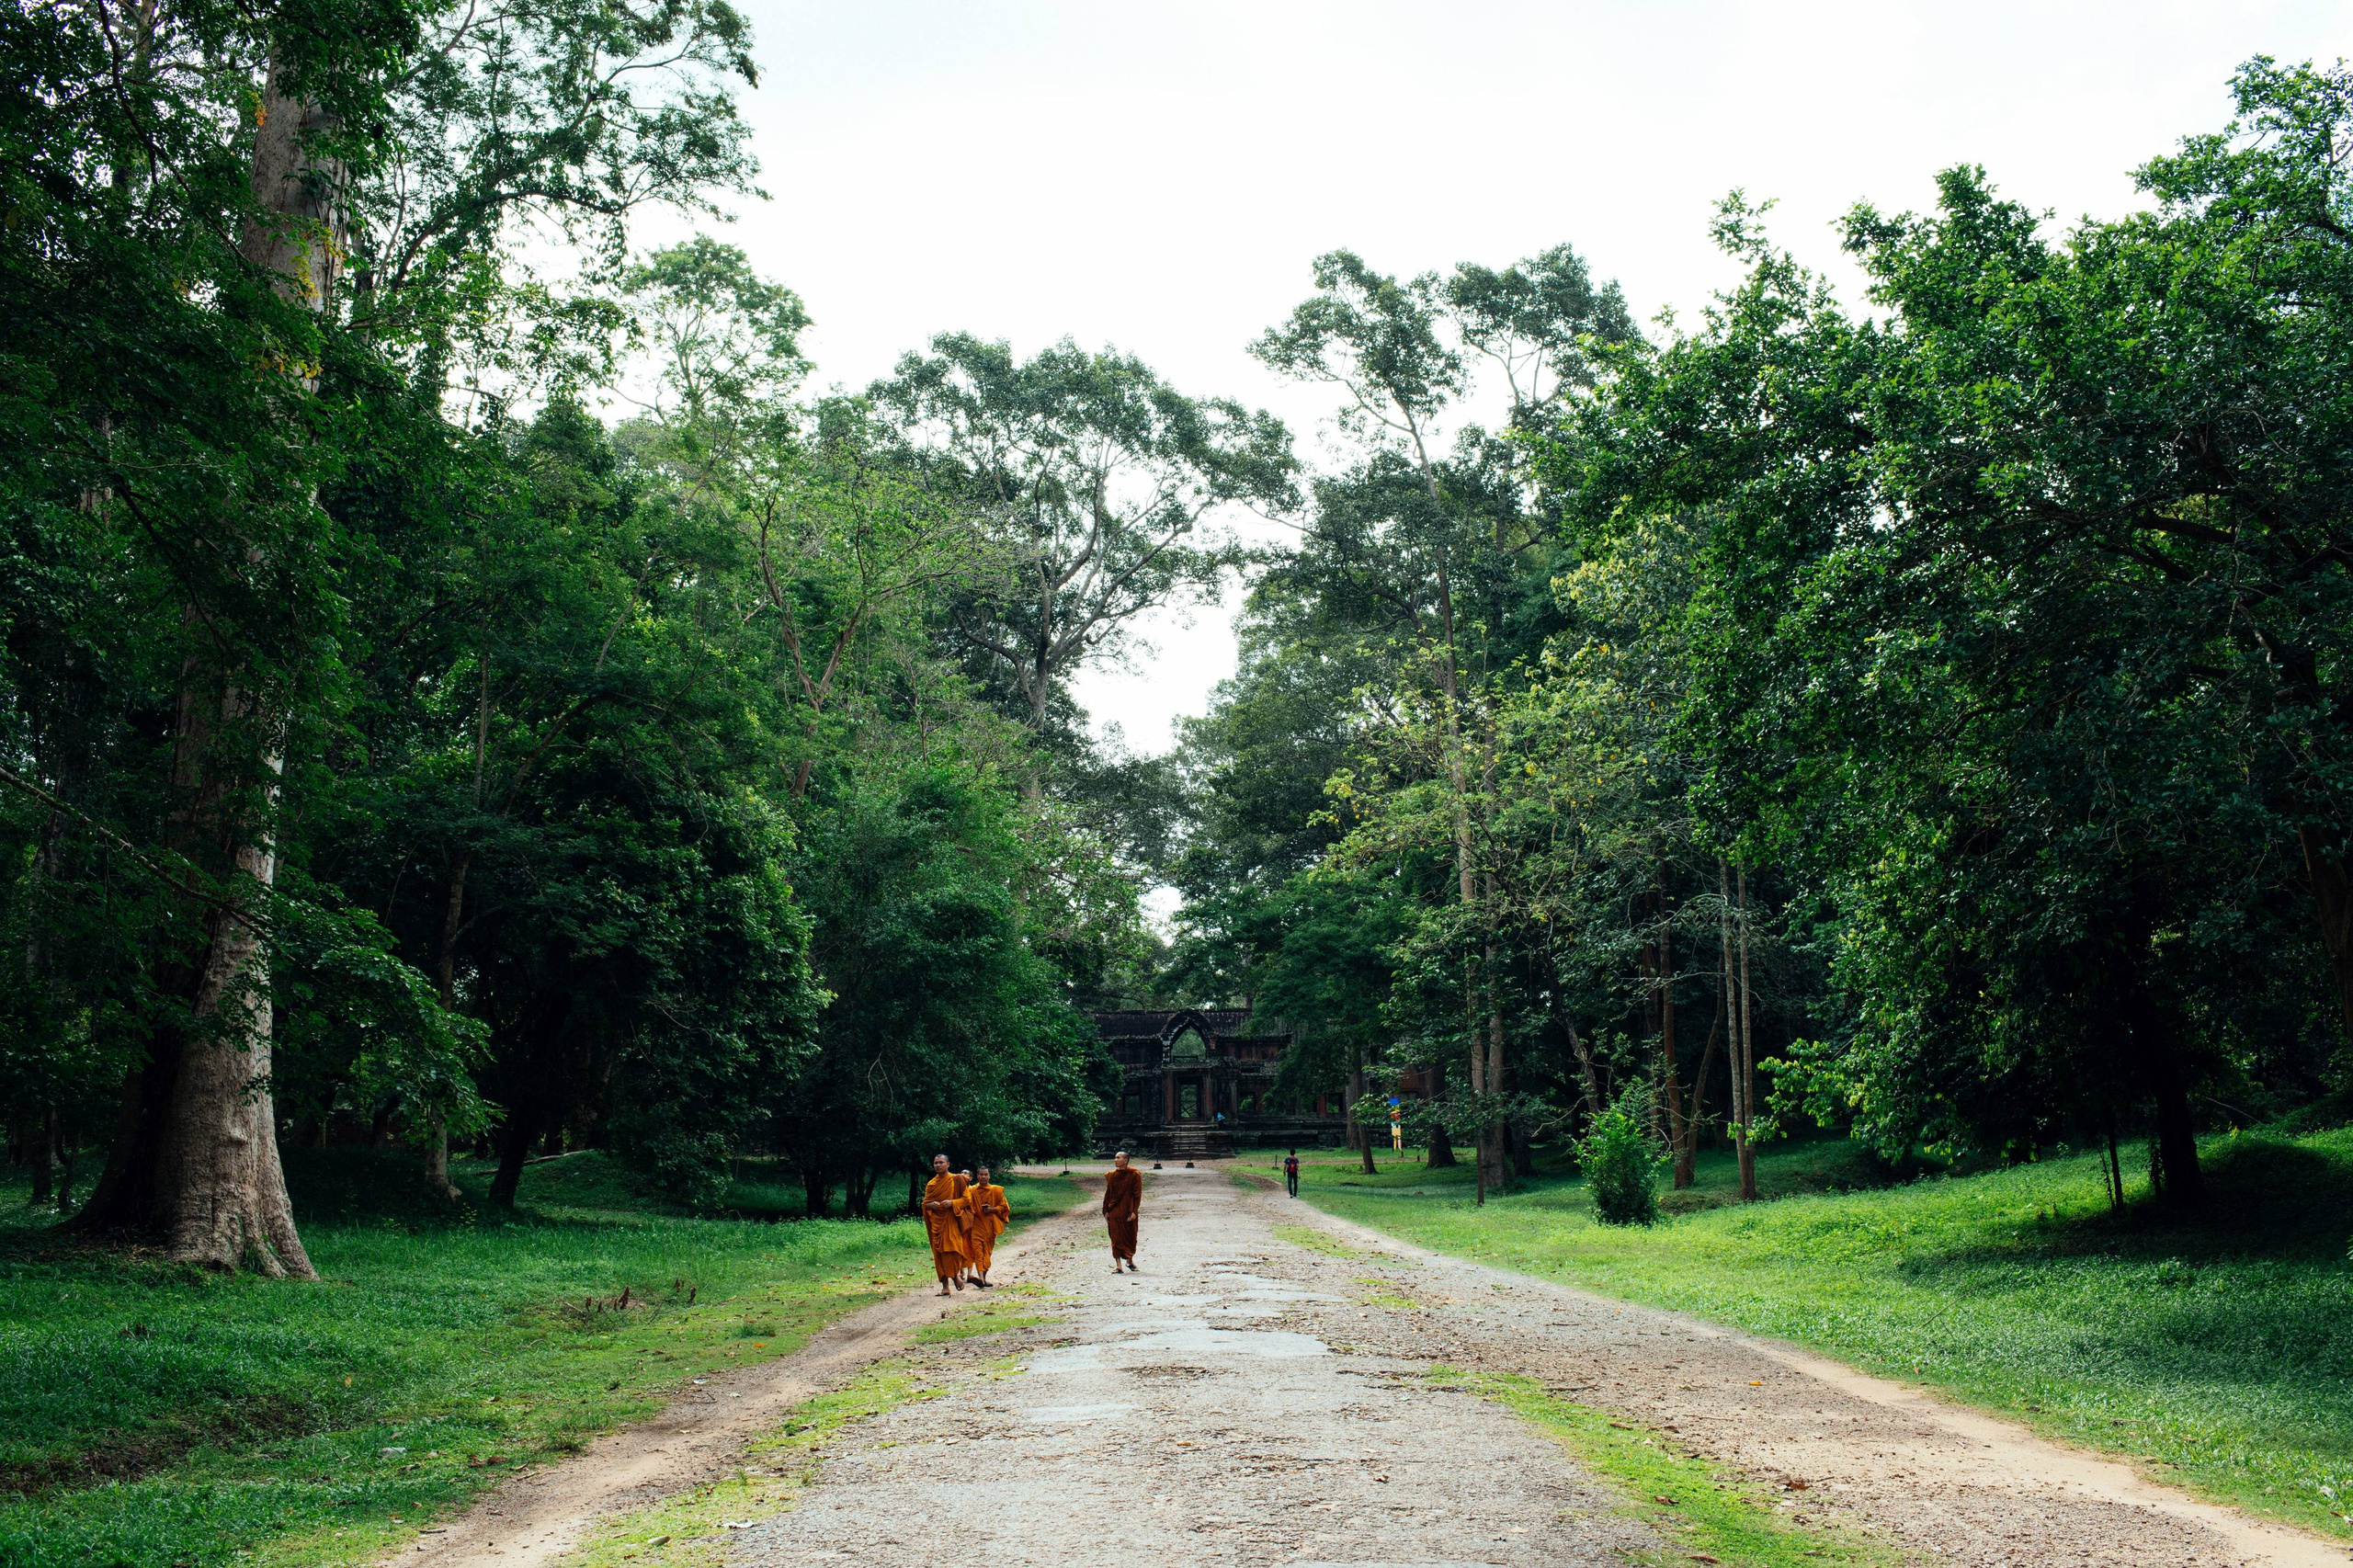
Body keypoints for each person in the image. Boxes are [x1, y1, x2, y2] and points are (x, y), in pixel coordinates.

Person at [921, 1154, 966, 1295]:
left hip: (951, 1221)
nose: (938, 1165)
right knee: (939, 1253)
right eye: (936, 1163)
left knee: (953, 1251)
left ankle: (955, 1276)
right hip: (937, 1223)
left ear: (948, 1164)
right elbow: (925, 1203)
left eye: (941, 1162)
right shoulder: (931, 1184)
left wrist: (953, 1202)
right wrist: (931, 1205)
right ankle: (945, 1287)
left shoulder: (957, 1180)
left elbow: (967, 1199)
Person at [964, 1165, 1009, 1287]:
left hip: (990, 1225)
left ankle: (984, 1277)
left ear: (989, 1176)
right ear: (977, 1176)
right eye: (981, 1174)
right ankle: (980, 1278)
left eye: (986, 1174)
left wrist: (992, 1209)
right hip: (976, 1224)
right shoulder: (972, 1190)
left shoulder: (996, 1190)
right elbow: (966, 1205)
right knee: (978, 1251)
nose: (983, 1177)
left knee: (987, 1252)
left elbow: (1003, 1207)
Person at [1102, 1150, 1142, 1273]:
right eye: (1115, 1158)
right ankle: (1118, 1265)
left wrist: (1134, 1211)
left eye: (1118, 1158)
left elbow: (1137, 1195)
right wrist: (1106, 1210)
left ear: (1125, 1160)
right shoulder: (1111, 1175)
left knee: (1130, 1235)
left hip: (1128, 1209)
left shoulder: (1134, 1174)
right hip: (1115, 1210)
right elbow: (1108, 1193)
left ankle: (1129, 1261)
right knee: (1115, 1237)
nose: (1116, 1160)